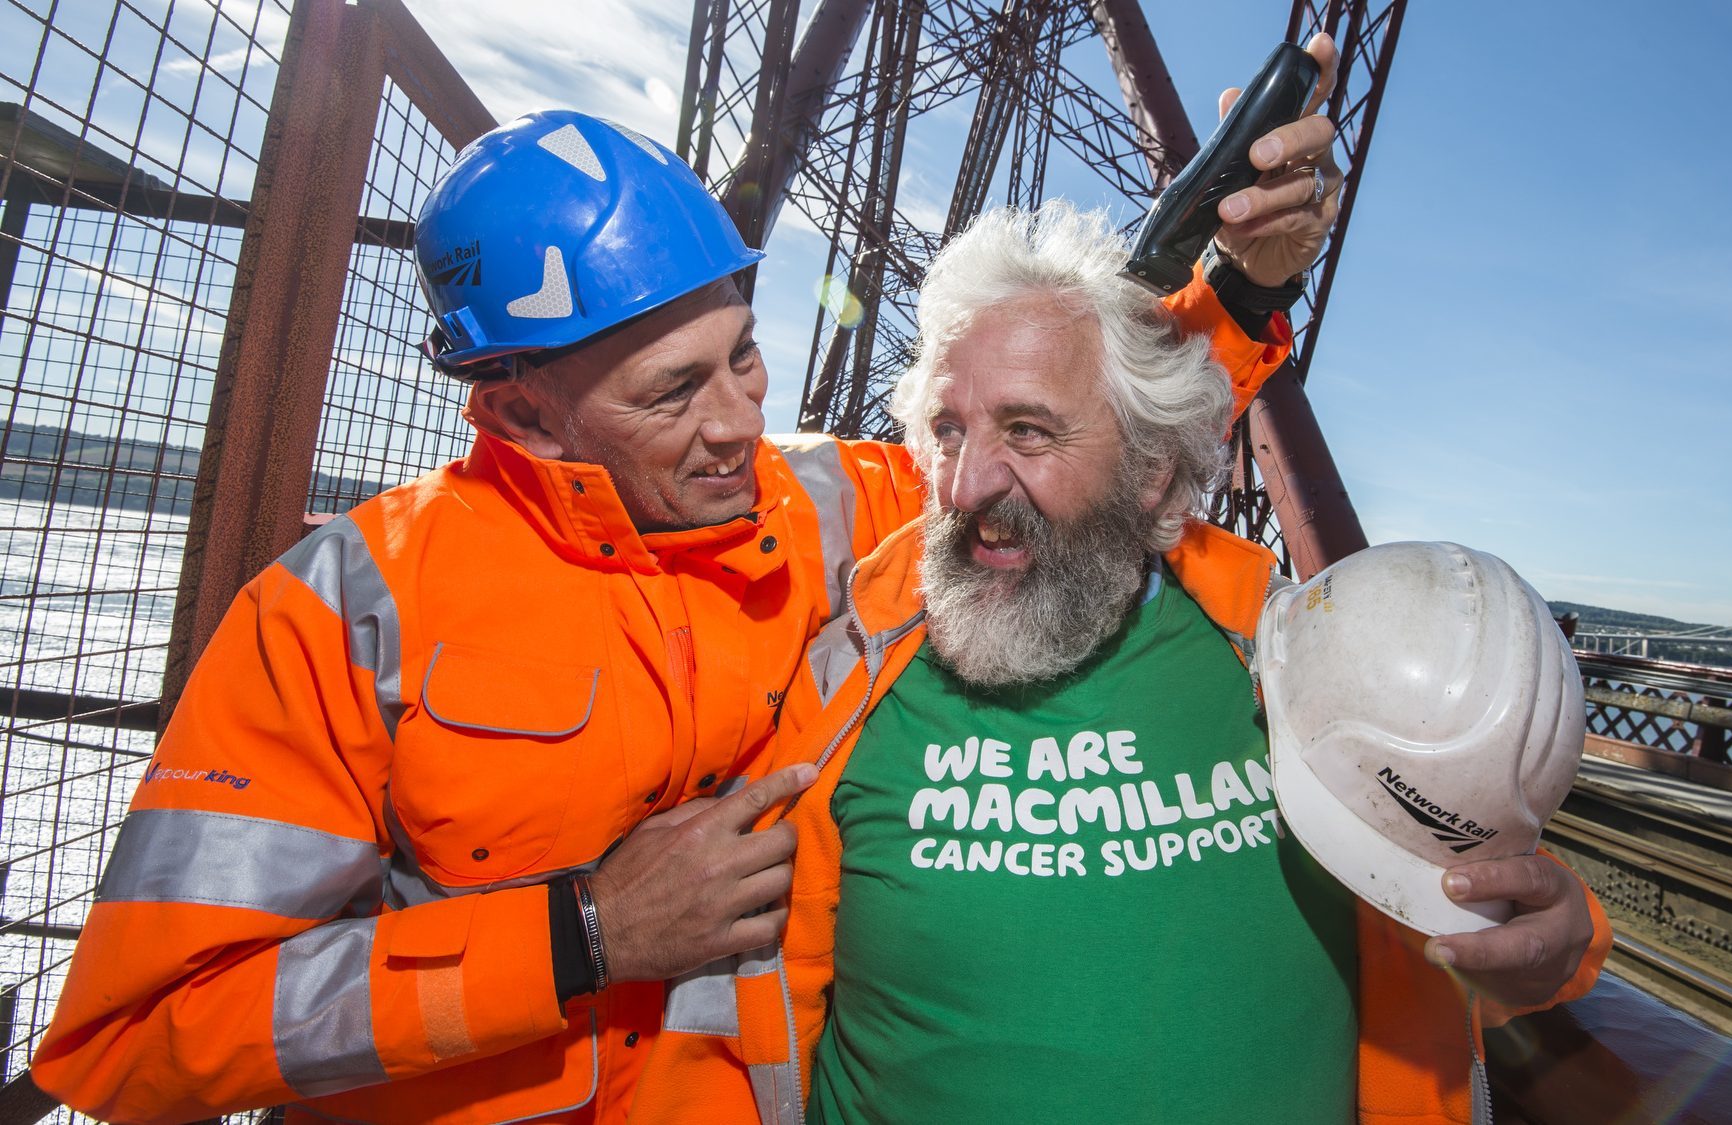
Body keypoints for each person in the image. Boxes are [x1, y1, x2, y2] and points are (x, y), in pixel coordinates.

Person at [28, 38, 1352, 1125]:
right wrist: (578, 934)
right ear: (525, 408)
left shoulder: (826, 504)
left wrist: (1237, 286)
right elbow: (134, 1040)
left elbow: (1061, 453)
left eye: (744, 358)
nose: (737, 424)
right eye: (674, 390)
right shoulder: (350, 607)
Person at [704, 204, 1611, 1124]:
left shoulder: (1286, 662)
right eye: (947, 430)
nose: (966, 485)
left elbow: (1465, 894)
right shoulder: (835, 679)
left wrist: (1557, 943)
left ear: (1151, 475)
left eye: (1028, 431)